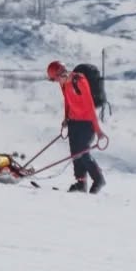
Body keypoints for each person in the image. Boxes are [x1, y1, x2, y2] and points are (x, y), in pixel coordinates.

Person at [47, 61, 106, 195]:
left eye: (55, 79)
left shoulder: (79, 81)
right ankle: (81, 183)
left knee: (83, 152)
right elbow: (67, 101)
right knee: (75, 154)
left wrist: (98, 131)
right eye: (54, 80)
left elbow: (90, 107)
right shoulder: (63, 83)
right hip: (73, 122)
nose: (56, 82)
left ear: (60, 74)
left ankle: (98, 179)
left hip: (86, 123)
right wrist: (66, 118)